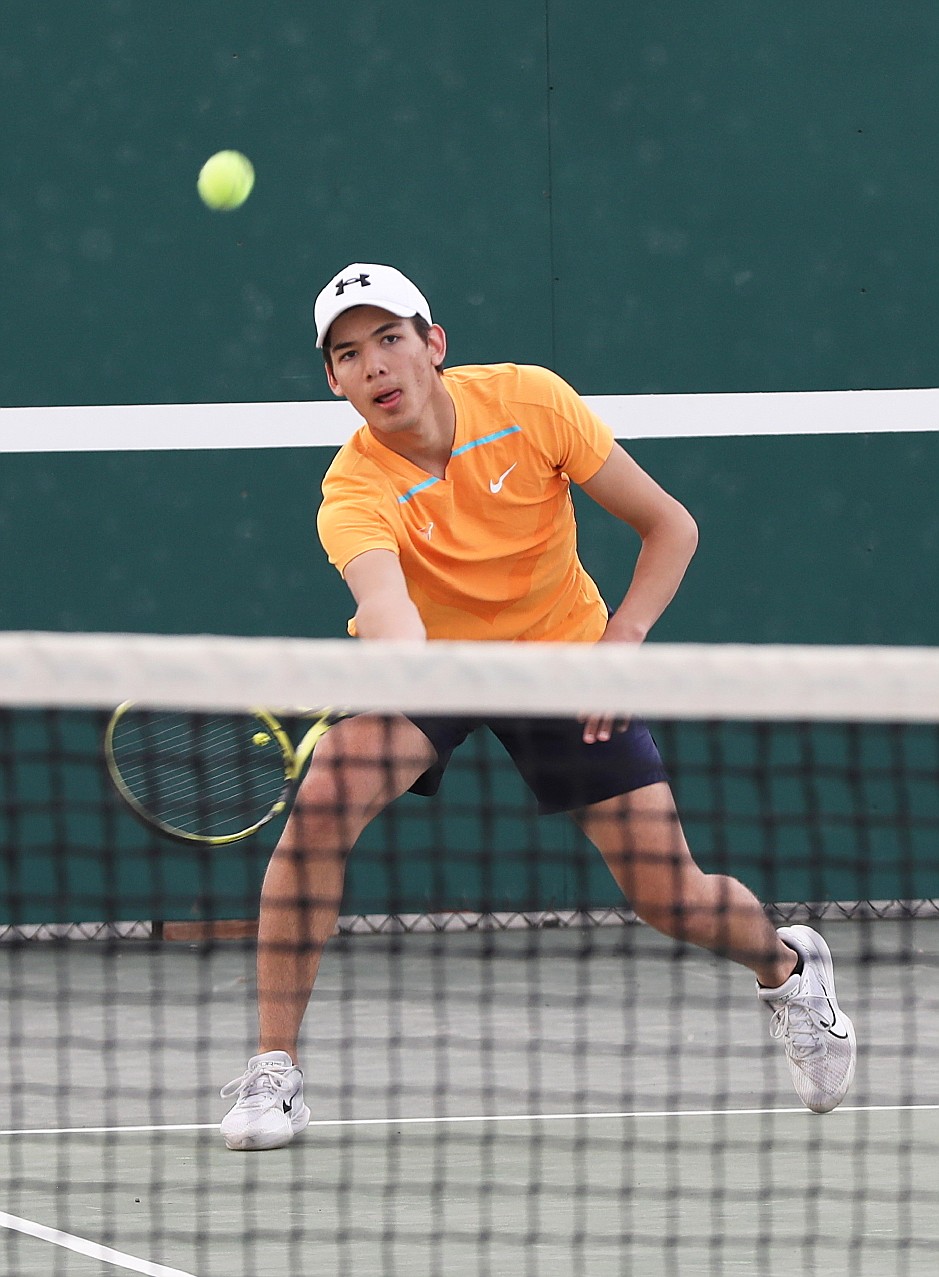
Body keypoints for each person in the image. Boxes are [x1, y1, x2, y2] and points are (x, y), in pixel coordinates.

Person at [219, 263, 857, 1151]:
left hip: (564, 660)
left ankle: (787, 968)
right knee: (327, 791)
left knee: (668, 895)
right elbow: (395, 620)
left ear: (433, 345)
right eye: (349, 352)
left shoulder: (530, 402)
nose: (375, 365)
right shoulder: (352, 491)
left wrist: (617, 651)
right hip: (437, 672)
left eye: (390, 338)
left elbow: (670, 525)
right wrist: (408, 670)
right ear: (332, 380)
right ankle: (274, 1069)